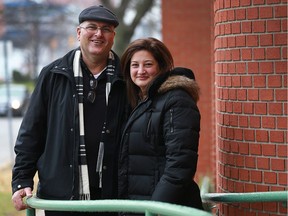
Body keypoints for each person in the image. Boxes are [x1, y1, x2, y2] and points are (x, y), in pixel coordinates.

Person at [11, 5, 128, 216]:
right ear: (79, 32)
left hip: (113, 196)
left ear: (113, 36)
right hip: (62, 198)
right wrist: (21, 180)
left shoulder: (126, 79)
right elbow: (32, 131)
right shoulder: (53, 75)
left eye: (106, 29)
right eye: (91, 27)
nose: (98, 34)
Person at [118, 37, 203, 213]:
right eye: (135, 65)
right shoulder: (140, 101)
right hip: (140, 205)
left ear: (161, 67)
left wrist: (155, 208)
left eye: (148, 64)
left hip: (165, 209)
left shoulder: (177, 100)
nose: (141, 71)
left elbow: (179, 165)